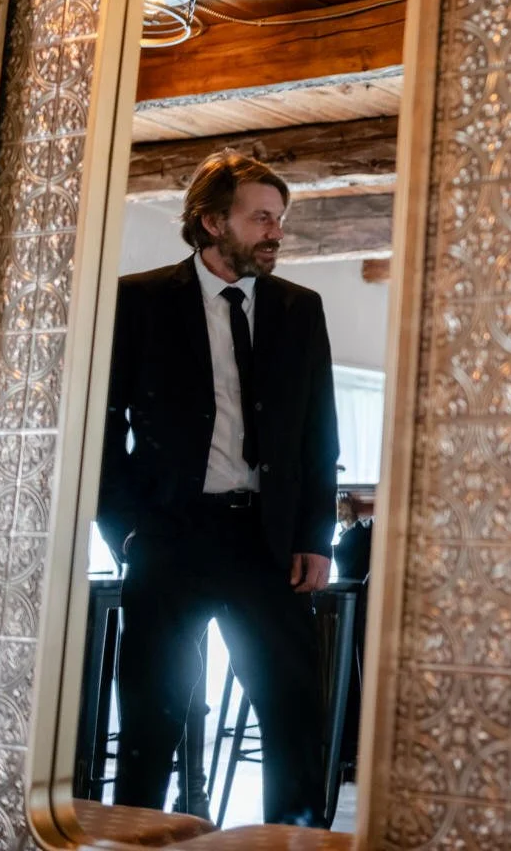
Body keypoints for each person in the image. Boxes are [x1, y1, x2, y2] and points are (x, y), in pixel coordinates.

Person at [98, 151, 340, 827]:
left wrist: (315, 539)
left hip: (267, 543)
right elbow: (99, 426)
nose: (276, 232)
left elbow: (320, 431)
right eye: (261, 217)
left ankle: (292, 843)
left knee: (294, 708)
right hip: (169, 537)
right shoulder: (138, 302)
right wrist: (127, 531)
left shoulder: (300, 308)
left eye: (279, 219)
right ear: (210, 221)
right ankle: (136, 837)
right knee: (151, 711)